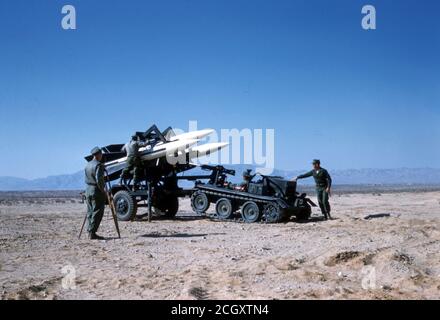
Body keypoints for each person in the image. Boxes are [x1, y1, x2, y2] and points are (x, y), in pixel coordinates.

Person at [84, 147, 106, 240]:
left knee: (90, 211)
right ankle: (92, 232)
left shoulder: (87, 165)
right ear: (98, 155)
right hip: (96, 191)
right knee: (97, 211)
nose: (102, 156)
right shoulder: (98, 165)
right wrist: (103, 190)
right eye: (101, 154)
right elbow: (99, 180)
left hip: (88, 190)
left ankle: (89, 230)